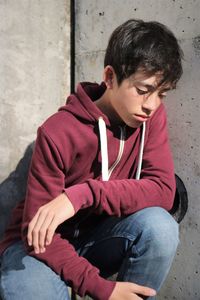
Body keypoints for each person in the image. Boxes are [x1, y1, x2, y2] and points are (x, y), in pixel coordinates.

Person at [0, 19, 183, 300]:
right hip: (38, 247)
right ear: (110, 77)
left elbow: (163, 191)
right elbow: (35, 232)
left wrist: (81, 195)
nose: (151, 104)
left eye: (162, 94)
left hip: (97, 238)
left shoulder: (151, 116)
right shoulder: (58, 131)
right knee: (31, 290)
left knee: (160, 227)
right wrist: (104, 290)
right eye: (143, 90)